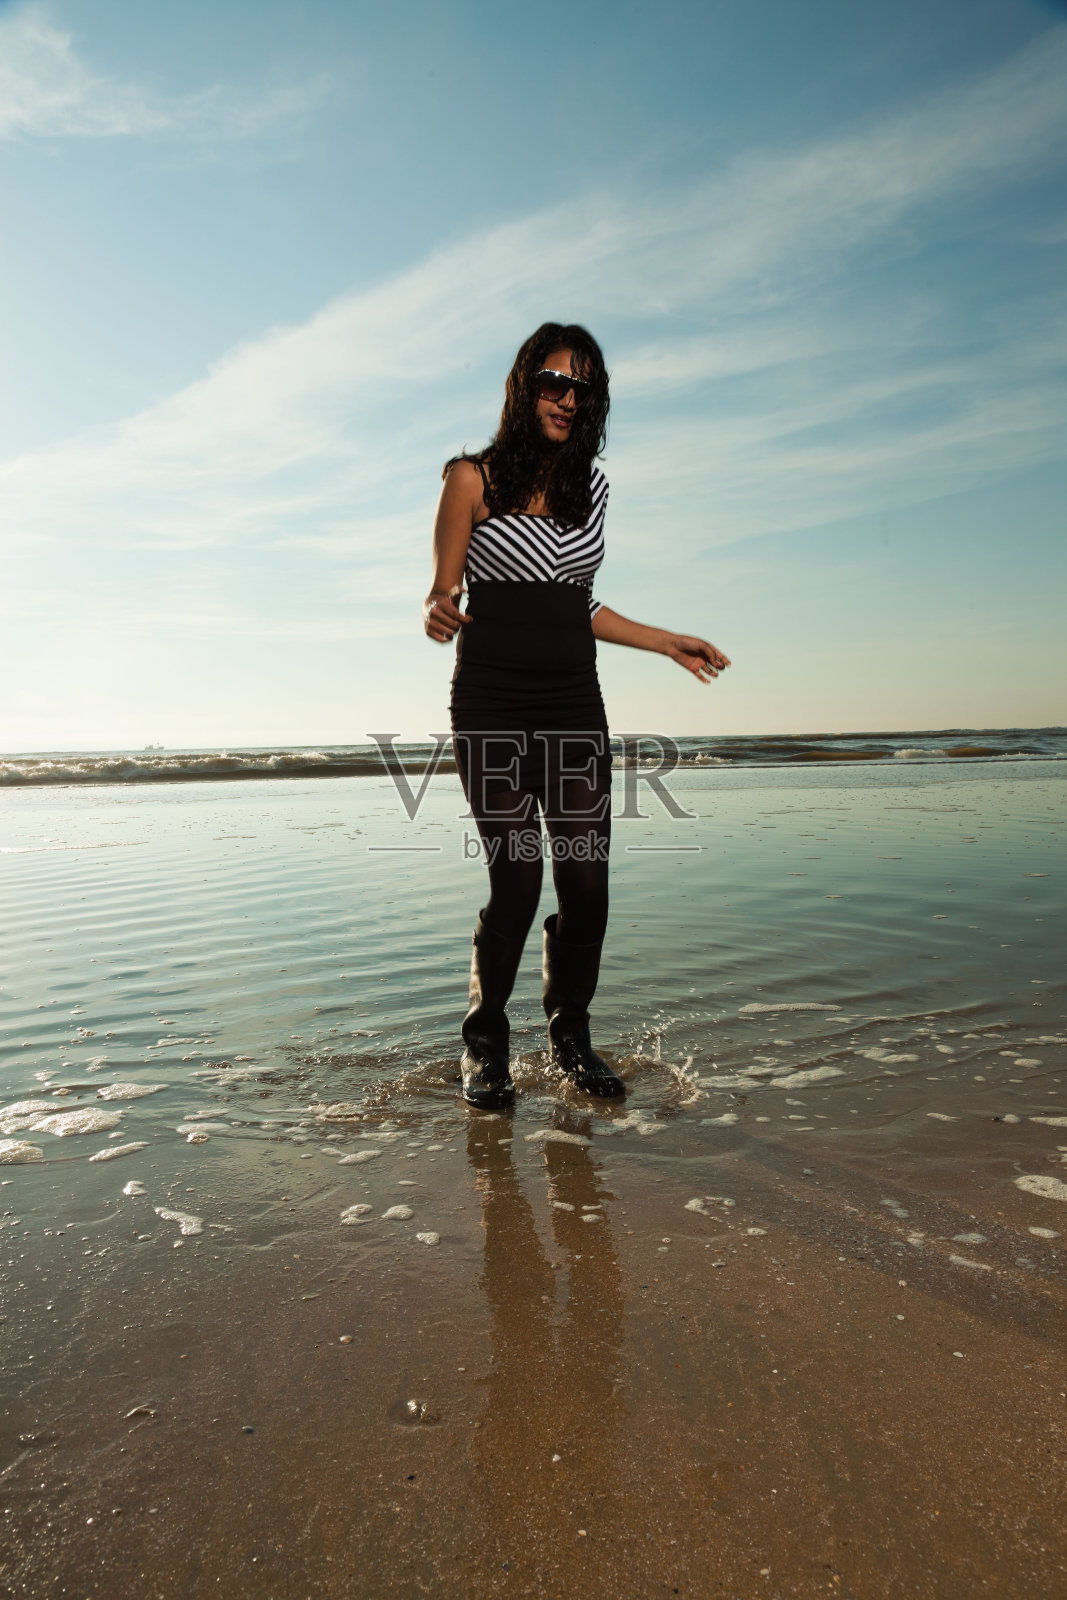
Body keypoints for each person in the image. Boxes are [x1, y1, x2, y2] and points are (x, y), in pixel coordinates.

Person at [424, 322, 730, 1111]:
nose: (566, 398)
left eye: (581, 388)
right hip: (491, 706)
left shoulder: (591, 486)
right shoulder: (471, 478)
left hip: (571, 706)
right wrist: (439, 605)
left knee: (587, 886)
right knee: (518, 878)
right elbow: (445, 587)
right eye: (553, 382)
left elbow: (576, 599)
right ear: (525, 384)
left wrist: (664, 641)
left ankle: (569, 1036)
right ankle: (484, 1039)